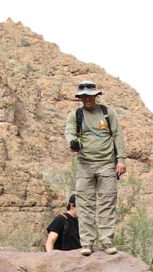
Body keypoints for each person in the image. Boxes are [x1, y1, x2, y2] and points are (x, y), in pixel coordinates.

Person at [65, 80, 126, 256]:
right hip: (84, 165)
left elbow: (117, 135)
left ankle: (107, 241)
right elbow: (69, 131)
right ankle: (87, 243)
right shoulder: (75, 115)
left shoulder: (108, 113)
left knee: (107, 202)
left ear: (96, 96)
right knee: (84, 204)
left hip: (107, 164)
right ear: (80, 97)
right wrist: (72, 142)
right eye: (84, 96)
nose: (87, 99)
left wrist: (120, 159)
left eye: (90, 95)